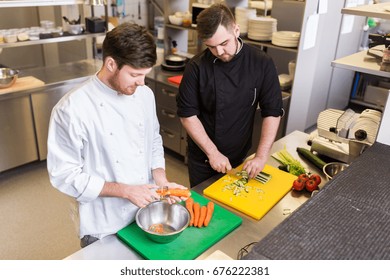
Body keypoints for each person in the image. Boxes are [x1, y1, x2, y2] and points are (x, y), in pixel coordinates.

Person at [47, 22, 186, 248]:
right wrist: (125, 191)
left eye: (145, 75)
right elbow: (64, 175)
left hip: (146, 213)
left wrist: (162, 181)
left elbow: (152, 140)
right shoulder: (72, 109)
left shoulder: (144, 94)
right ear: (111, 63)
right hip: (104, 224)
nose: (142, 82)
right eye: (135, 74)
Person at [177, 3, 284, 187]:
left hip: (240, 157)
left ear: (236, 29)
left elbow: (272, 111)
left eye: (224, 43)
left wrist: (261, 156)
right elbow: (187, 115)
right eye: (211, 47)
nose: (219, 52)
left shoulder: (261, 63)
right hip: (203, 159)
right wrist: (212, 153)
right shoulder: (196, 67)